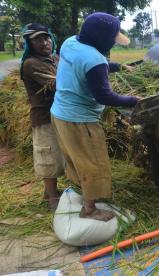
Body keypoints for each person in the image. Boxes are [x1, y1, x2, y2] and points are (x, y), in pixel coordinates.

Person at [50, 12, 141, 221]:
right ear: (101, 38)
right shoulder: (95, 59)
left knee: (78, 159)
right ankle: (89, 210)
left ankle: (85, 194)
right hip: (79, 120)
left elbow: (85, 66)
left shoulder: (71, 42)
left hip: (60, 113)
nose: (113, 43)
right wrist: (134, 100)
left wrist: (118, 67)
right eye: (112, 39)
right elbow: (105, 96)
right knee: (94, 162)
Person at [20, 23, 65, 210]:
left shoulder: (54, 58)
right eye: (38, 39)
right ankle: (52, 198)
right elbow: (57, 83)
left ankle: (50, 192)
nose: (44, 42)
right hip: (44, 117)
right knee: (48, 156)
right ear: (29, 43)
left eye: (46, 38)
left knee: (59, 154)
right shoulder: (31, 64)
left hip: (60, 113)